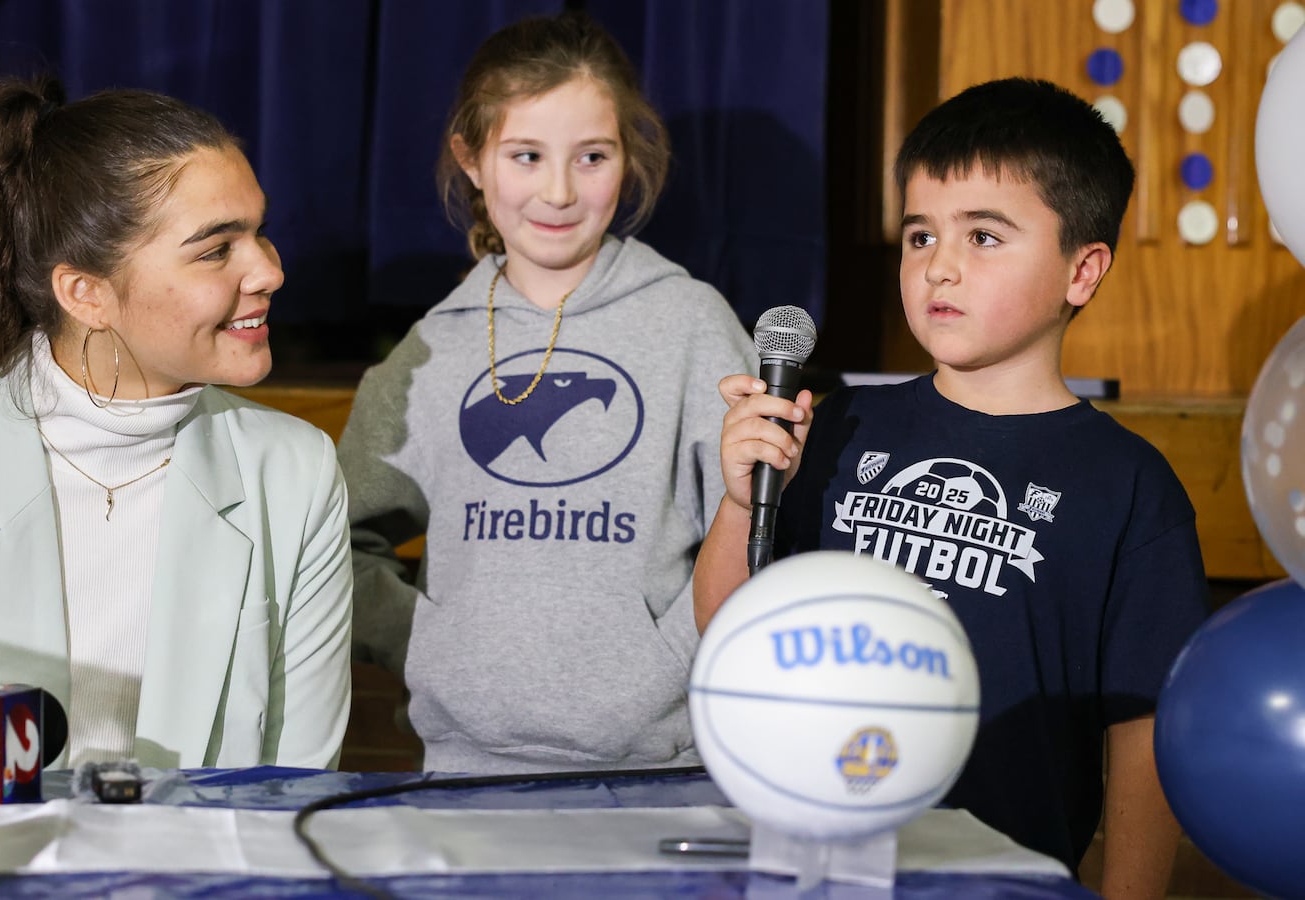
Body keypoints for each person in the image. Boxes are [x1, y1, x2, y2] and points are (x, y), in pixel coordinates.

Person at [694, 78, 1208, 898]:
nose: (941, 267)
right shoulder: (839, 425)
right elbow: (728, 634)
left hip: (1001, 876)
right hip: (814, 859)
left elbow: (1145, 730)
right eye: (921, 235)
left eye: (985, 237)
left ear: (1083, 270)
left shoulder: (1129, 487)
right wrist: (737, 501)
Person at [0, 76, 353, 770]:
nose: (268, 271)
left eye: (260, 234)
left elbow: (293, 786)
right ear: (86, 294)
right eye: (215, 249)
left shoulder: (295, 471)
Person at [338, 11, 757, 776]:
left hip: (660, 771)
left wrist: (672, 652)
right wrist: (437, 645)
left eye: (591, 157)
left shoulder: (692, 323)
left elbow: (757, 531)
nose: (558, 192)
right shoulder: (433, 347)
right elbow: (342, 545)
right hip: (461, 774)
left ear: (627, 159)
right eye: (526, 155)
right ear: (473, 160)